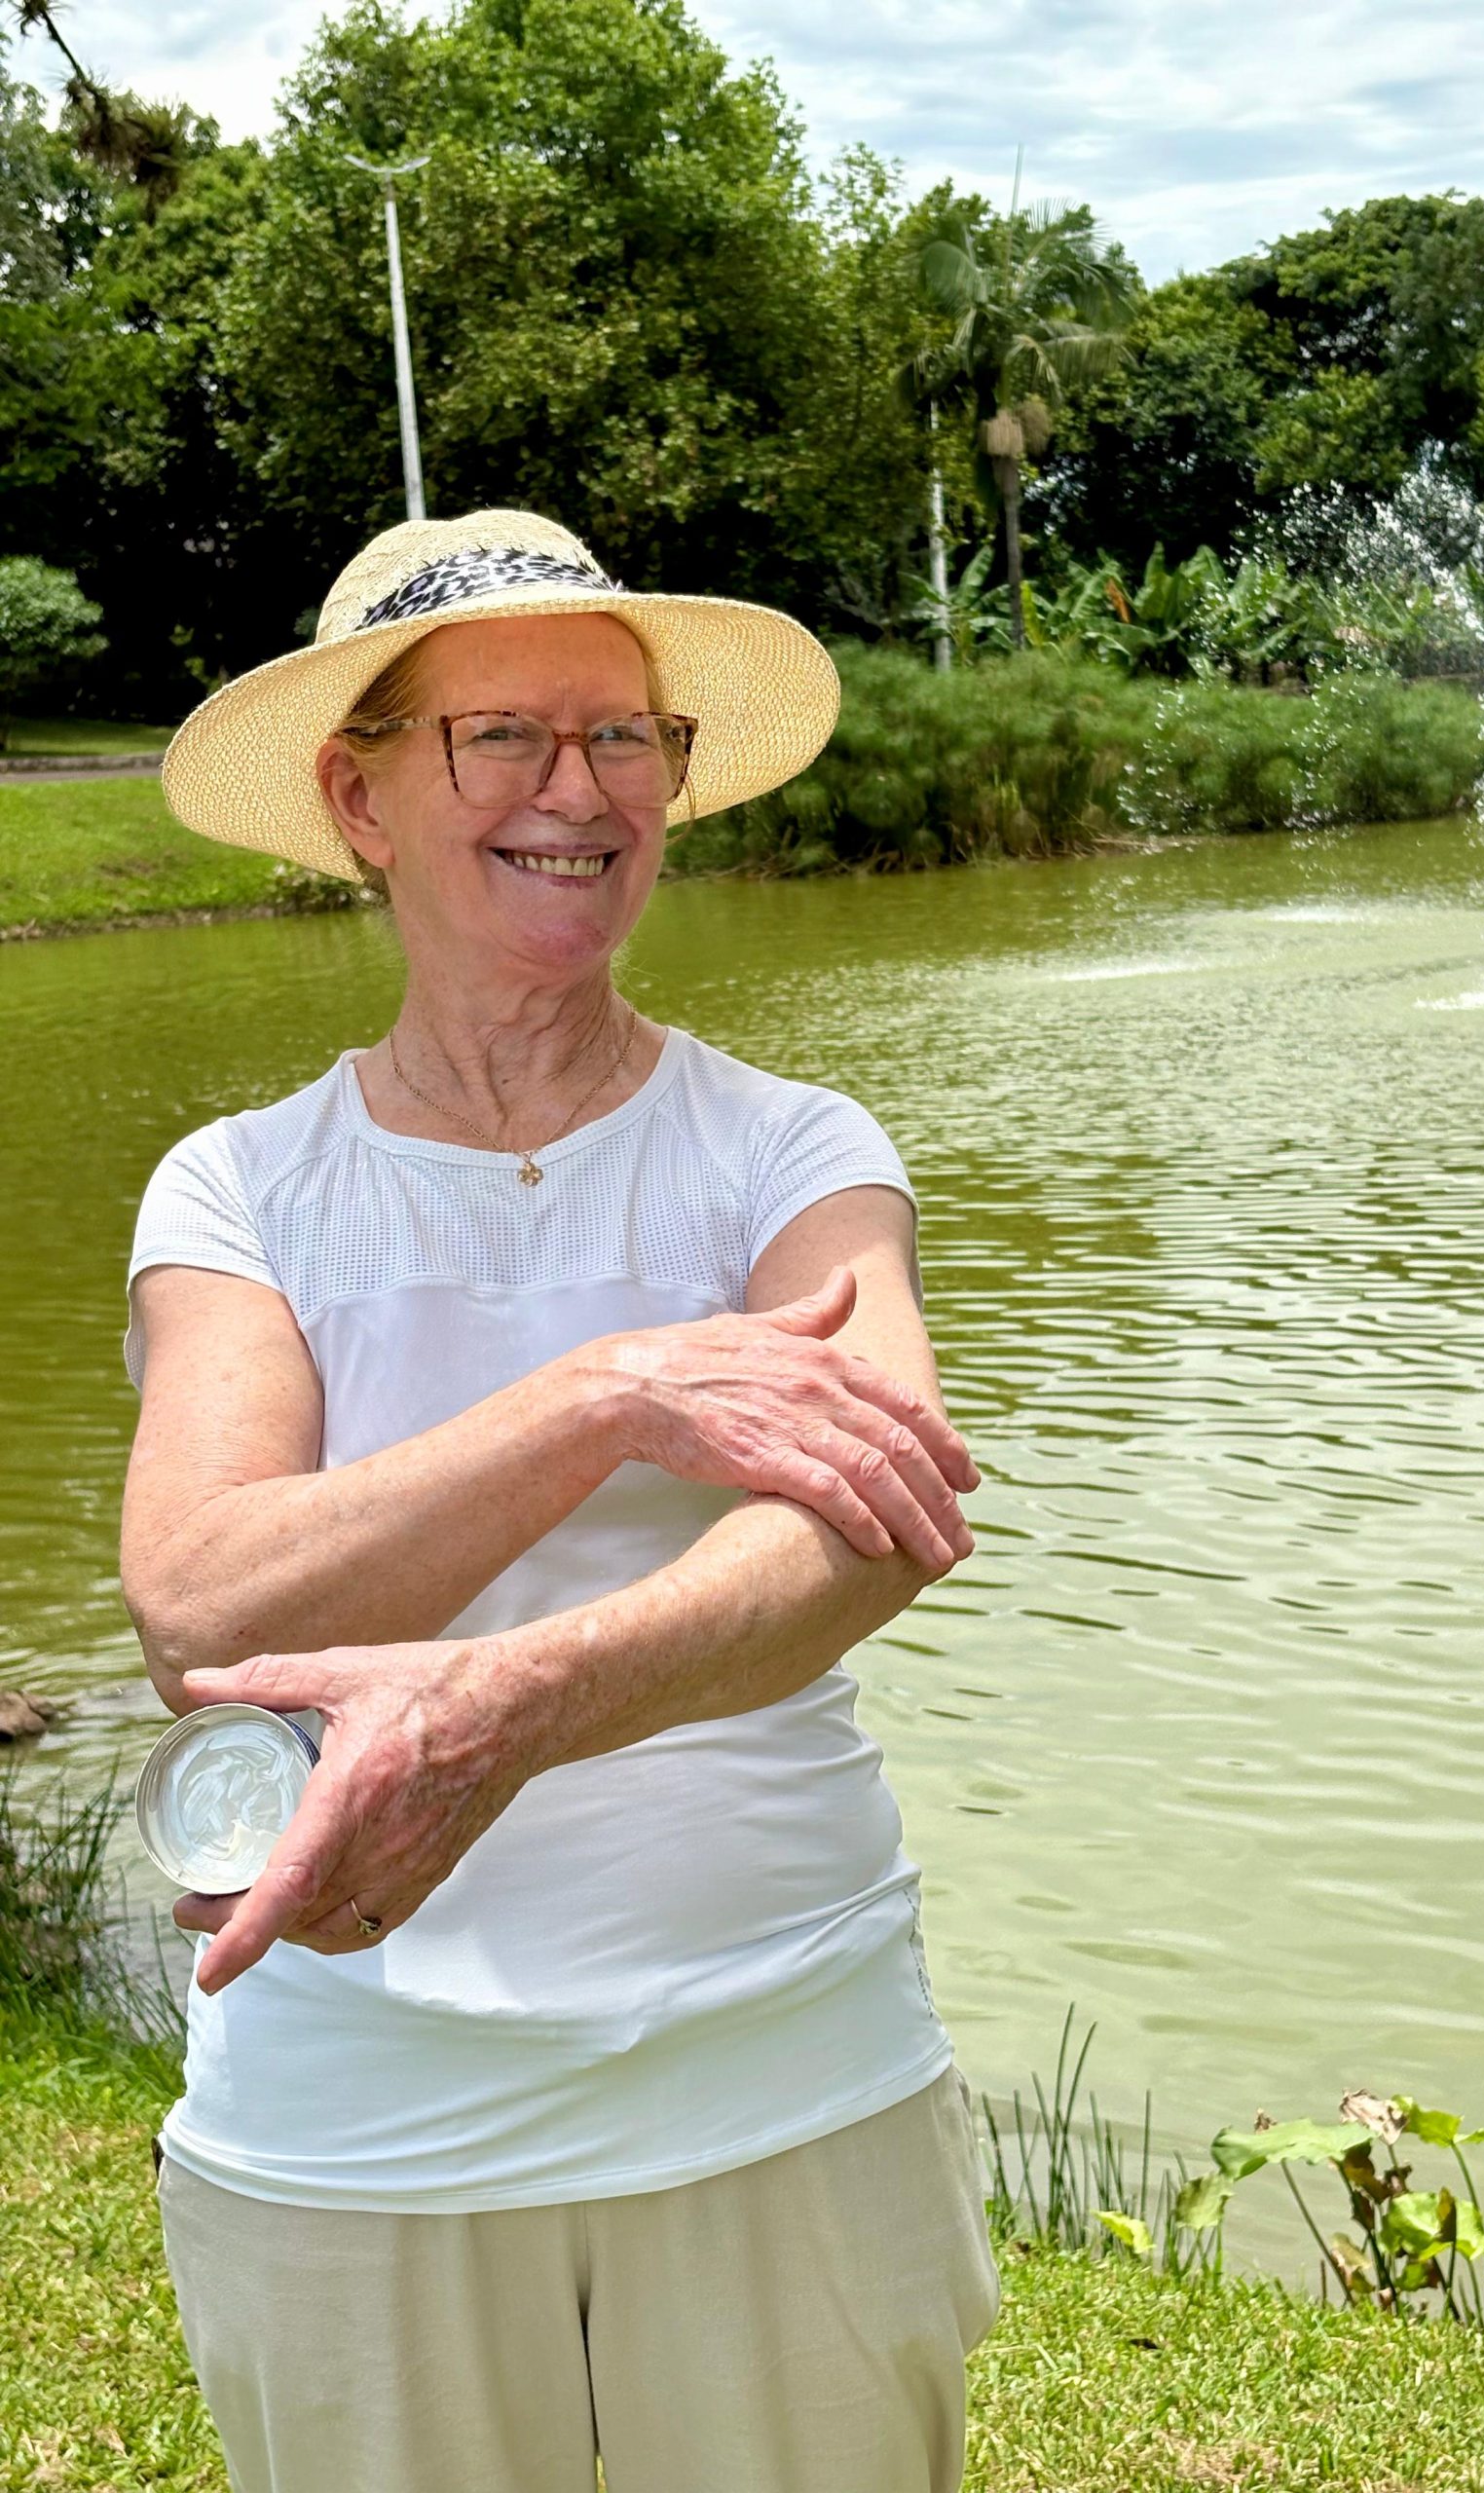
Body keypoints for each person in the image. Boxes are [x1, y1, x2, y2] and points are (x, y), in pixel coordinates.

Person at [119, 508, 1001, 2493]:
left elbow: (871, 1518)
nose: (578, 792)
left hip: (786, 2075)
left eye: (627, 739)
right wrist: (614, 1389)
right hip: (359, 2123)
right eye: (500, 733)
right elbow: (201, 1591)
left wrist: (499, 1705)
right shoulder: (239, 1190)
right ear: (358, 793)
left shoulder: (791, 1150)